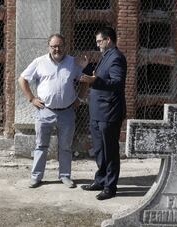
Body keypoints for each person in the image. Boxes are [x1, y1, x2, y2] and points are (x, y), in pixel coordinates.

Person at [18, 34, 88, 188]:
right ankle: (36, 177)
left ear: (65, 46)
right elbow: (22, 79)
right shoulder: (39, 62)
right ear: (48, 47)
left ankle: (65, 176)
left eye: (60, 46)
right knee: (41, 145)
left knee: (65, 146)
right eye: (53, 46)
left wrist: (80, 99)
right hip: (45, 111)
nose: (57, 49)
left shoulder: (72, 62)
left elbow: (85, 80)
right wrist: (31, 98)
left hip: (67, 111)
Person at [79, 26, 127, 200]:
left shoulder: (116, 58)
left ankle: (110, 187)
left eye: (100, 41)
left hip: (109, 112)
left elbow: (116, 83)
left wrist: (95, 80)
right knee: (99, 149)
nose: (98, 44)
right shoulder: (105, 57)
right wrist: (86, 69)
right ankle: (100, 180)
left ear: (108, 40)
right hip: (97, 112)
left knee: (110, 151)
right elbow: (97, 76)